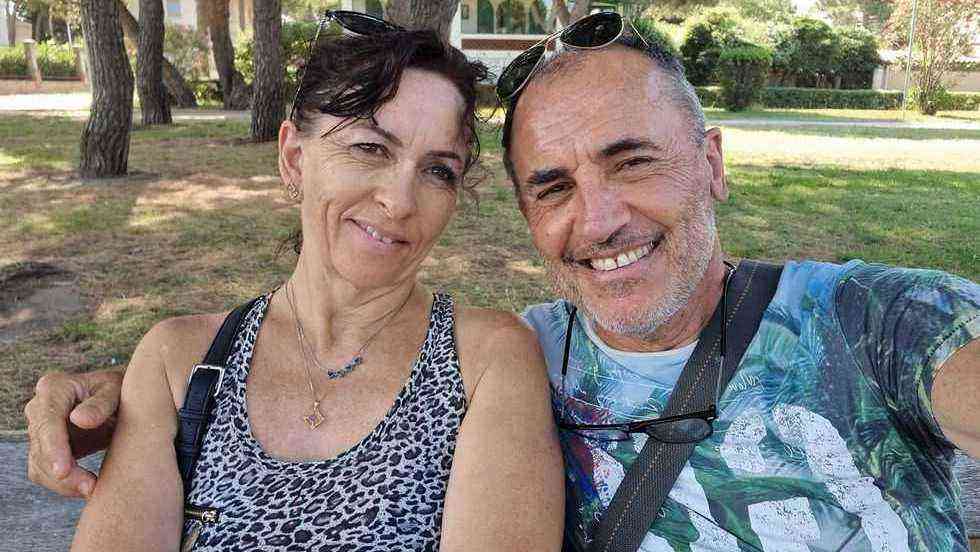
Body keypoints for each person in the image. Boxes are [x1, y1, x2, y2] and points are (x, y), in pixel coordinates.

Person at [26, 11, 979, 552]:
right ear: (291, 157)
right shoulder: (537, 347)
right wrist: (127, 394)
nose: (597, 219)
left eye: (633, 160)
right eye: (553, 185)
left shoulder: (870, 319)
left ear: (712, 162)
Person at [49, 13, 564, 552]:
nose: (399, 201)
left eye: (438, 170)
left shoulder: (484, 361)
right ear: (294, 158)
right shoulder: (177, 363)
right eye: (370, 148)